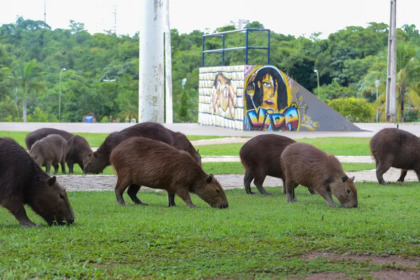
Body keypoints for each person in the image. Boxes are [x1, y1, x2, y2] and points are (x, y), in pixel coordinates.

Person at [244, 66, 299, 131]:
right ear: (257, 84)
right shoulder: (246, 120)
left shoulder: (285, 122)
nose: (271, 94)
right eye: (267, 84)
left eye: (276, 87)